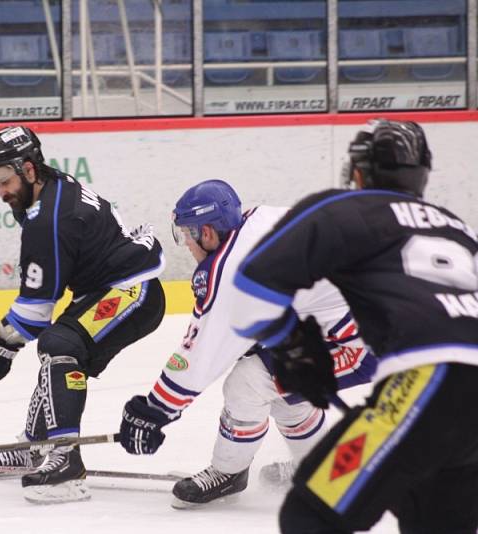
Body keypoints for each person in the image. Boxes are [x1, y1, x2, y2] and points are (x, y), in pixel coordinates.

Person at [231, 119, 478, 533]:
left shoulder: (347, 209)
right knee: (435, 522)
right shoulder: (459, 228)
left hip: (430, 382)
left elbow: (250, 294)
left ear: (360, 170)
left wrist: (293, 349)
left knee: (311, 516)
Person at [117, 179, 376, 509]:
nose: (186, 244)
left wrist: (154, 411)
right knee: (280, 382)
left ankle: (229, 472)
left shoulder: (232, 271)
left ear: (207, 233)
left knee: (250, 382)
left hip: (363, 341)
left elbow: (200, 355)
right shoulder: (258, 220)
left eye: (186, 234)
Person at [0, 125, 166, 504]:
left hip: (131, 291)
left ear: (27, 169)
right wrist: (1, 343)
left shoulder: (49, 219)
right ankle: (38, 445)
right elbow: (42, 296)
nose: (1, 192)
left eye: (5, 181)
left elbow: (36, 311)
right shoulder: (50, 186)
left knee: (60, 344)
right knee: (62, 348)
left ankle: (66, 461)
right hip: (110, 289)